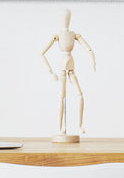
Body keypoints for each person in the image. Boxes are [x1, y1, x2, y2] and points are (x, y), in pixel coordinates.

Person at [40, 9, 95, 141]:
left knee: (80, 95)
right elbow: (42, 53)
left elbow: (89, 49)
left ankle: (79, 125)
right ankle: (60, 128)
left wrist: (93, 62)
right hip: (62, 68)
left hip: (71, 67)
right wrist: (50, 72)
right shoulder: (57, 36)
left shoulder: (74, 35)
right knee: (61, 97)